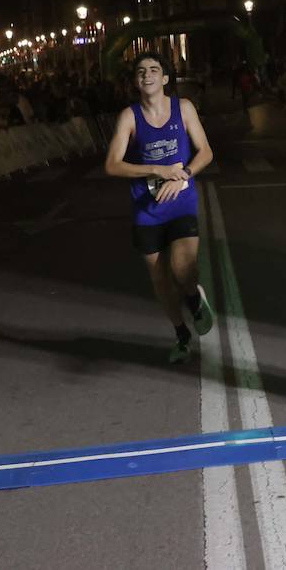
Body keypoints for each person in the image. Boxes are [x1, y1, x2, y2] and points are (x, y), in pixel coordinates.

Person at [105, 52, 216, 363]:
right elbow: (112, 165)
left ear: (165, 78)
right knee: (160, 279)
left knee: (183, 269)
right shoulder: (129, 117)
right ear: (136, 82)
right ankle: (181, 335)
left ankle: (193, 297)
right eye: (141, 71)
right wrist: (155, 171)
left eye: (154, 69)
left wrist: (184, 174)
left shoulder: (183, 108)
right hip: (146, 207)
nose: (147, 74)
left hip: (181, 202)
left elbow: (205, 151)